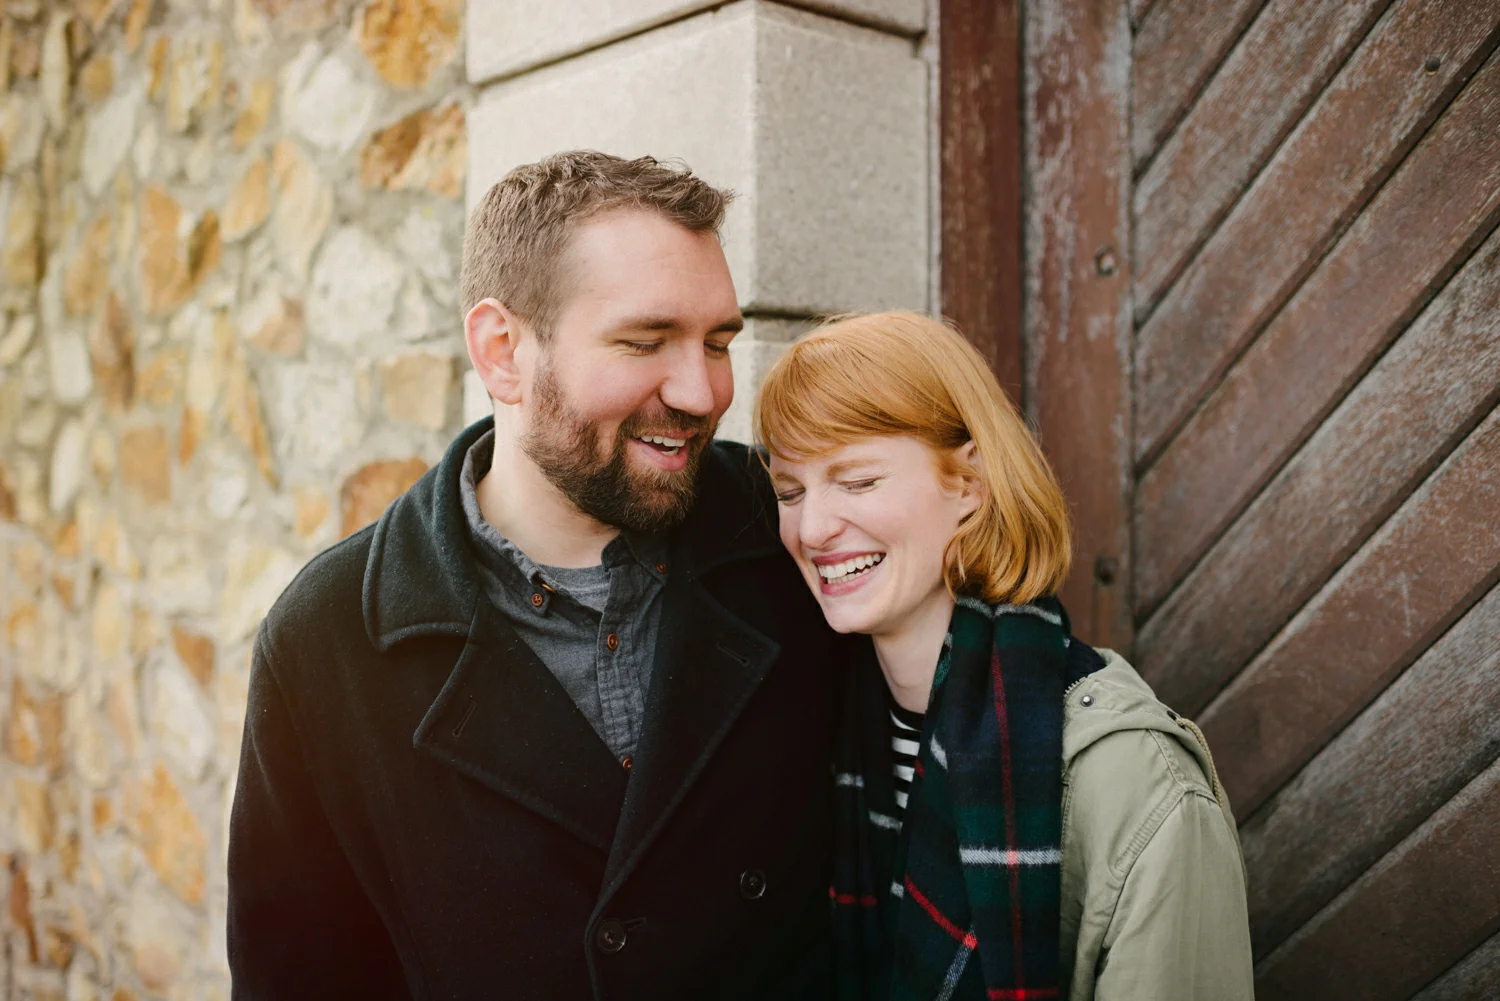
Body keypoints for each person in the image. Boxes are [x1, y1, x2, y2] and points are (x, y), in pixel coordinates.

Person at [227, 152, 846, 999]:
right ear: (502, 351)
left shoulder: (789, 531)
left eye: (718, 343)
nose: (703, 392)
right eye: (645, 341)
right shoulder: (329, 639)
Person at [755, 311, 1255, 1001]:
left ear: (969, 484)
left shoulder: (1134, 780)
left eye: (858, 481)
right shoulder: (815, 731)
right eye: (789, 491)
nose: (812, 528)